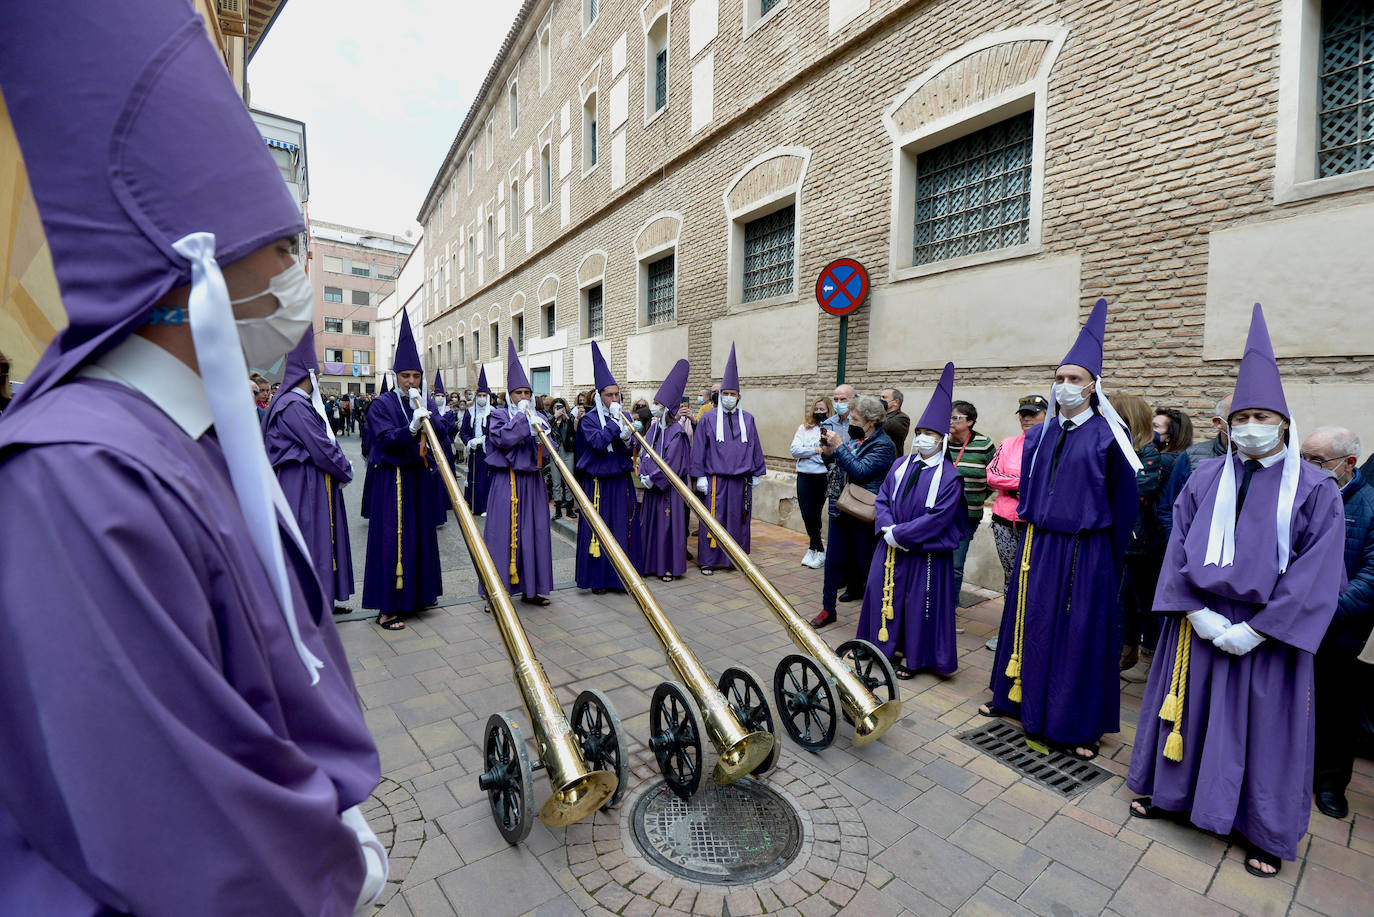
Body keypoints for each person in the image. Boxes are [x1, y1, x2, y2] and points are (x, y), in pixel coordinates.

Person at [0, 2, 385, 909]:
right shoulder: (80, 476)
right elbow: (175, 827)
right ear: (196, 269)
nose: (297, 276)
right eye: (283, 247)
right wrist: (325, 865)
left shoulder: (179, 434)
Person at [1127, 305, 1346, 879]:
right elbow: (1177, 545)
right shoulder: (1204, 477)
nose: (1250, 425)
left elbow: (1317, 570)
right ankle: (1170, 795)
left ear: (1283, 423)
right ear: (1228, 425)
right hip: (1199, 622)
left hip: (1267, 634)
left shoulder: (1317, 489)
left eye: (1261, 415)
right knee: (1188, 711)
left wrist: (1256, 629)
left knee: (1264, 731)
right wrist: (1195, 613)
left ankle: (1262, 829)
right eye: (1241, 415)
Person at [983, 298, 1141, 762]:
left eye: (1075, 379)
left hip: (1085, 553)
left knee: (1076, 636)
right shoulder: (1044, 433)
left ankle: (1072, 722)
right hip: (1039, 547)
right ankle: (1015, 699)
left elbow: (1123, 506)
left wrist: (1106, 568)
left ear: (1094, 386)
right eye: (1060, 378)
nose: (1065, 386)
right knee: (1028, 625)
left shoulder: (1111, 437)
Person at [858, 364, 967, 677]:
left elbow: (939, 518)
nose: (922, 439)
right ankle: (882, 647)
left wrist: (901, 534)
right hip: (890, 545)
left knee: (919, 604)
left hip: (924, 552)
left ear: (942, 440)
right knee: (883, 593)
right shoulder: (901, 464)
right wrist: (887, 528)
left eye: (930, 435)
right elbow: (883, 497)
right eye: (919, 433)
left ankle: (914, 657)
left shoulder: (949, 477)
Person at [361, 311, 454, 630]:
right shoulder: (382, 404)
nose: (411, 382)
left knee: (419, 538)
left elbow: (442, 431)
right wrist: (412, 429)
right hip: (392, 482)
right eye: (405, 376)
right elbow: (384, 439)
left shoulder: (422, 400)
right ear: (397, 376)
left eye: (415, 376)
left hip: (417, 481)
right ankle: (387, 607)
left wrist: (432, 419)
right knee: (392, 539)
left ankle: (415, 598)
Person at [1301, 426, 1374, 820]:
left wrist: (1326, 611)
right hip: (1291, 620)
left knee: (1336, 708)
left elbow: (1372, 576)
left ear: (1348, 464)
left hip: (1339, 628)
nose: (1306, 467)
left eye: (1316, 461)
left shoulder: (1370, 505)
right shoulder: (1297, 496)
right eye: (1302, 458)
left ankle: (1330, 783)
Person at [263, 327, 355, 615]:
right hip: (302, 484)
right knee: (310, 541)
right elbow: (321, 447)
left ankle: (321, 596)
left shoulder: (291, 403)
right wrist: (345, 469)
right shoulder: (294, 405)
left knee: (315, 541)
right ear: (310, 376)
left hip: (306, 480)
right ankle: (312, 603)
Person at [810, 396, 896, 628]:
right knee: (833, 562)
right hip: (841, 505)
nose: (851, 422)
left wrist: (839, 447)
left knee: (865, 566)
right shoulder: (857, 438)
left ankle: (873, 618)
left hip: (864, 512)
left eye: (856, 419)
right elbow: (837, 463)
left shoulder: (884, 445)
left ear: (872, 421)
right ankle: (828, 609)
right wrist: (828, 450)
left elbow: (860, 471)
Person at [483, 340, 554, 606]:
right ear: (509, 395)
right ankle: (497, 595)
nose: (524, 397)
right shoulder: (498, 415)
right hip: (506, 482)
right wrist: (523, 421)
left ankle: (531, 589)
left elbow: (549, 453)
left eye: (527, 392)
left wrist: (541, 434)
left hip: (532, 484)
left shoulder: (539, 417)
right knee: (501, 535)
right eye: (518, 393)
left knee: (533, 533)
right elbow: (502, 440)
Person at [690, 344, 766, 575]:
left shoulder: (749, 419)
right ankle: (709, 560)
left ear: (738, 396)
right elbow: (699, 448)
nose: (729, 398)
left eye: (733, 394)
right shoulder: (708, 418)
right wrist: (699, 475)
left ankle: (736, 559)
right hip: (715, 481)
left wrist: (756, 472)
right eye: (726, 394)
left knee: (738, 521)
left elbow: (754, 445)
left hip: (741, 481)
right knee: (714, 519)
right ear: (719, 396)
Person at [983, 394, 1048, 651]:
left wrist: (1015, 481)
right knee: (1011, 579)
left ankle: (1032, 636)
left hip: (1035, 524)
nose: (1026, 418)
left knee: (1036, 580)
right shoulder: (1009, 443)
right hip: (1004, 521)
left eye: (1033, 413)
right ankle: (1010, 634)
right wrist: (1023, 484)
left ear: (1048, 415)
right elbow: (992, 475)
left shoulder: (1052, 445)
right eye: (1023, 414)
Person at [575, 342, 636, 593]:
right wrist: (613, 425)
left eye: (617, 395)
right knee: (598, 533)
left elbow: (633, 449)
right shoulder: (589, 420)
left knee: (621, 529)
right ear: (599, 397)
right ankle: (598, 580)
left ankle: (620, 578)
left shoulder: (626, 417)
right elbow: (598, 443)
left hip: (619, 481)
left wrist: (626, 438)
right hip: (597, 484)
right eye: (609, 395)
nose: (614, 399)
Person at [1114, 393, 1168, 671]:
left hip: (1130, 541)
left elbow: (1136, 490)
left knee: (1122, 601)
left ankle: (1123, 652)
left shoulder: (1147, 452)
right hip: (1103, 534)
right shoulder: (1110, 445)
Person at [638, 360, 693, 582]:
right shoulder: (653, 428)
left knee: (667, 529)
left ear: (667, 409)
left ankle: (668, 566)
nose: (654, 407)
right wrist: (644, 473)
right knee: (651, 527)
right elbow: (645, 452)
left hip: (668, 491)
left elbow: (673, 464)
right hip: (652, 489)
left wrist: (654, 478)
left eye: (658, 404)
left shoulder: (677, 433)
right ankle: (651, 564)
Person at [1158, 396, 1232, 539]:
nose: (1249, 424)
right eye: (1240, 418)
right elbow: (1169, 509)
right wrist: (1179, 548)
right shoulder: (1192, 457)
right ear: (1219, 422)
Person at [947, 399, 995, 603]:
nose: (950, 421)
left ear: (970, 422)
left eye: (956, 418)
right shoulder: (940, 443)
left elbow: (994, 476)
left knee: (955, 564)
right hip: (939, 513)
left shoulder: (984, 444)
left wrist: (974, 499)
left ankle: (950, 610)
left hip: (967, 516)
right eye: (949, 417)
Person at [791, 396, 834, 568]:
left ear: (828, 411)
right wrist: (815, 450)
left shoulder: (830, 430)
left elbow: (827, 456)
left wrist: (809, 453)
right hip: (803, 475)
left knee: (815, 514)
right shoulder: (804, 428)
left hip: (821, 477)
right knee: (806, 514)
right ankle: (817, 548)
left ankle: (814, 550)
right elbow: (794, 450)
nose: (818, 413)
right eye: (816, 409)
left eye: (822, 410)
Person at [459, 368, 495, 514]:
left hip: (488, 451)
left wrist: (483, 440)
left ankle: (486, 506)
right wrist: (470, 441)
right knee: (473, 479)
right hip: (474, 452)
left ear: (487, 397)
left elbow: (495, 432)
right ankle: (473, 505)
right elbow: (463, 431)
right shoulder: (469, 412)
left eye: (484, 395)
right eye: (479, 395)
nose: (481, 398)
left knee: (486, 479)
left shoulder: (493, 412)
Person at [548, 397, 578, 518]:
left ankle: (569, 509)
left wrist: (566, 417)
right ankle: (558, 510)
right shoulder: (550, 419)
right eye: (556, 407)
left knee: (568, 480)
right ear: (553, 408)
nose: (559, 409)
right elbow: (545, 428)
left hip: (567, 451)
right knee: (556, 481)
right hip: (554, 451)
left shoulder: (569, 418)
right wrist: (555, 416)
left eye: (561, 407)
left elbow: (574, 432)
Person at [880, 387, 911, 457]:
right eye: (880, 397)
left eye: (884, 397)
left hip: (890, 460)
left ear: (896, 402)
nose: (881, 400)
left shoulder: (902, 418)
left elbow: (886, 426)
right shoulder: (882, 416)